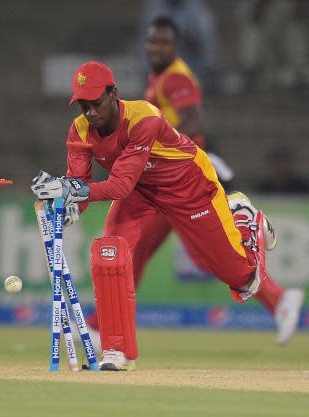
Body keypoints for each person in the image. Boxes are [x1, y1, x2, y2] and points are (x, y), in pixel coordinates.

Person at [31, 61, 290, 371]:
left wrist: (71, 191)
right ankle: (116, 351)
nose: (90, 112)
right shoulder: (80, 129)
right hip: (141, 193)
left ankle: (248, 221)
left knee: (242, 278)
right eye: (83, 105)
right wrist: (64, 205)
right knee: (109, 251)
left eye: (96, 103)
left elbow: (119, 184)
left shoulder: (144, 119)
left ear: (113, 93)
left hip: (188, 184)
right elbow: (80, 186)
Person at [79, 17, 304, 353]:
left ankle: (103, 329)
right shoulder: (159, 79)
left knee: (137, 251)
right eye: (151, 42)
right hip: (160, 178)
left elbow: (195, 121)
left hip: (176, 179)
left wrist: (157, 144)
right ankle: (279, 299)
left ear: (176, 46)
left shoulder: (176, 78)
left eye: (163, 43)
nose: (156, 48)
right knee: (157, 254)